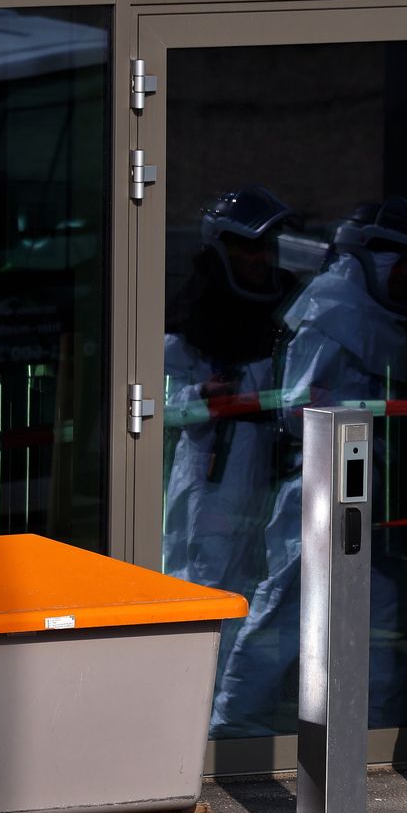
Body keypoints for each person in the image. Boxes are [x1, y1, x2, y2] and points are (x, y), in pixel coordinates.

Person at [209, 197, 407, 738]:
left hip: (374, 492)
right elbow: (297, 409)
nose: (402, 277)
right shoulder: (331, 315)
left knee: (379, 615)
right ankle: (234, 728)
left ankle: (371, 731)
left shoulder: (368, 316)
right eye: (393, 262)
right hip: (323, 485)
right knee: (284, 607)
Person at [162, 184, 302, 690]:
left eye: (266, 246)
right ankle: (185, 698)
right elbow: (157, 406)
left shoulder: (284, 304)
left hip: (265, 468)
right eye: (248, 247)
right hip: (210, 470)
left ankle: (220, 701)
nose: (259, 258)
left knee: (245, 588)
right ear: (222, 247)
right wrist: (202, 394)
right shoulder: (190, 316)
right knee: (201, 580)